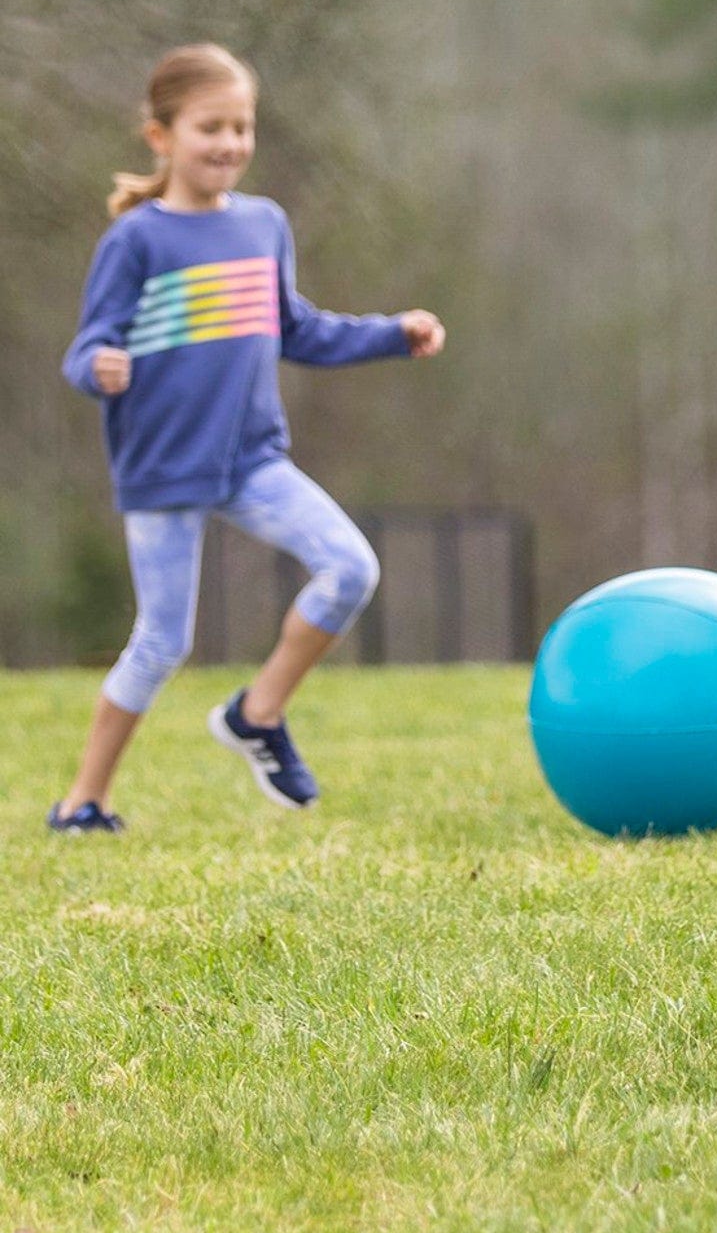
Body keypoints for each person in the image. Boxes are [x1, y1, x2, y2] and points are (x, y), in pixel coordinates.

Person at [51, 42, 445, 831]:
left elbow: (299, 330)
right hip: (163, 469)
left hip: (253, 460)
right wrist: (102, 368)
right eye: (210, 127)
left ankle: (258, 716)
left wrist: (392, 333)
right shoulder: (137, 241)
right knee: (162, 644)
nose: (230, 143)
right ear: (161, 136)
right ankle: (83, 801)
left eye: (242, 127)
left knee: (348, 569)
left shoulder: (264, 225)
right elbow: (82, 351)